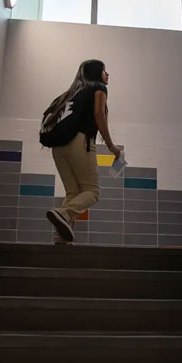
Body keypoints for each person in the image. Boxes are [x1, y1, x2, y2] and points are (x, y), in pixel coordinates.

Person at [42, 60, 122, 244]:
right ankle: (62, 213)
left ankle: (61, 238)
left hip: (59, 146)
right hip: (80, 141)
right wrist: (111, 145)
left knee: (73, 192)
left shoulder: (73, 92)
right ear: (96, 73)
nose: (107, 75)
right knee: (92, 192)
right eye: (104, 71)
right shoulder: (99, 88)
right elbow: (99, 115)